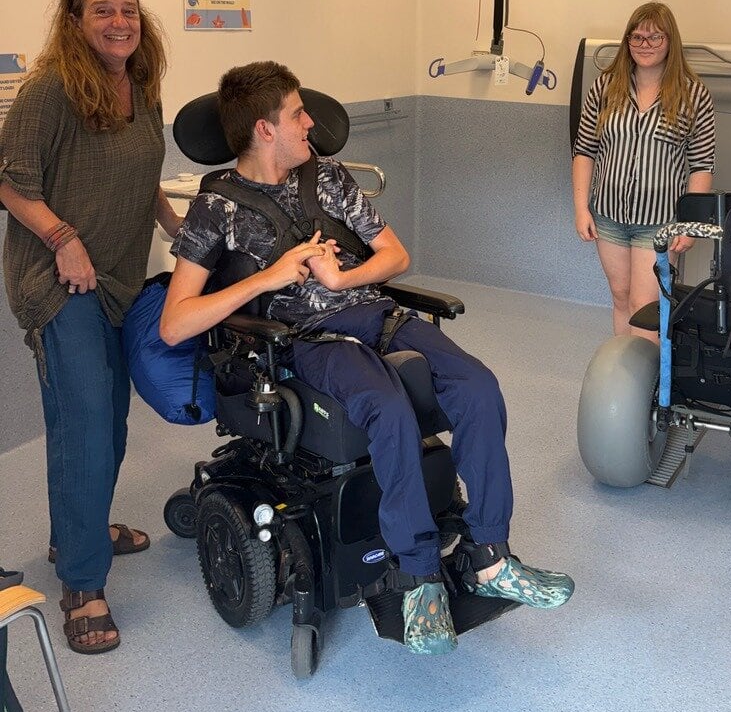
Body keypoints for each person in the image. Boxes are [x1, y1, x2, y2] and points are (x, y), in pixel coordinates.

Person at [160, 61, 574, 655]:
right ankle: (418, 576)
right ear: (264, 129)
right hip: (303, 338)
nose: (313, 123)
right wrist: (270, 277)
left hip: (377, 315)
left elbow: (395, 255)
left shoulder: (326, 178)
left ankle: (489, 556)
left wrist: (343, 275)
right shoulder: (216, 208)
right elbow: (176, 324)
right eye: (298, 113)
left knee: (480, 388)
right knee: (386, 407)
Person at [0, 0, 182, 654]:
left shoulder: (141, 85)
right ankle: (82, 580)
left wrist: (174, 224)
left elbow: (141, 174)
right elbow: (10, 182)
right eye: (102, 11)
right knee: (84, 420)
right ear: (75, 21)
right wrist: (63, 238)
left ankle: (78, 525)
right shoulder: (50, 89)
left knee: (108, 419)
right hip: (57, 278)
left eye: (129, 11)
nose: (119, 23)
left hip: (120, 277)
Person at [572, 1, 716, 338]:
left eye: (654, 38)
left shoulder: (694, 96)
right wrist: (581, 209)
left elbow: (701, 164)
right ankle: (623, 379)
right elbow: (584, 151)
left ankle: (646, 383)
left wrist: (690, 224)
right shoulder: (604, 88)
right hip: (609, 216)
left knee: (645, 306)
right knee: (621, 297)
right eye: (636, 38)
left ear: (670, 42)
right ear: (627, 43)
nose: (644, 46)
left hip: (661, 222)